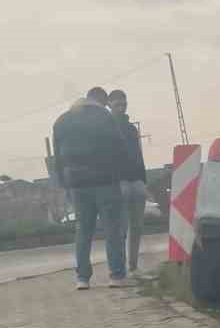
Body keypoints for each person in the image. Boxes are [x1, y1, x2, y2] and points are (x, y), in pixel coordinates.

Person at [51, 87, 129, 288]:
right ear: (101, 101)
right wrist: (119, 173)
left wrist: (64, 182)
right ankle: (116, 276)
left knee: (83, 230)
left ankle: (82, 278)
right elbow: (119, 146)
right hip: (105, 181)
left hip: (77, 183)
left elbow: (58, 157)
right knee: (112, 229)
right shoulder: (104, 116)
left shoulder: (62, 121)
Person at [106, 88, 149, 277]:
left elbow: (139, 155)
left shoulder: (132, 129)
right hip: (119, 182)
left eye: (124, 104)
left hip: (136, 181)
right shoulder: (105, 127)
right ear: (109, 105)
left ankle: (133, 266)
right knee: (121, 228)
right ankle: (119, 268)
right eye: (117, 105)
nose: (121, 108)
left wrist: (144, 180)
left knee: (137, 226)